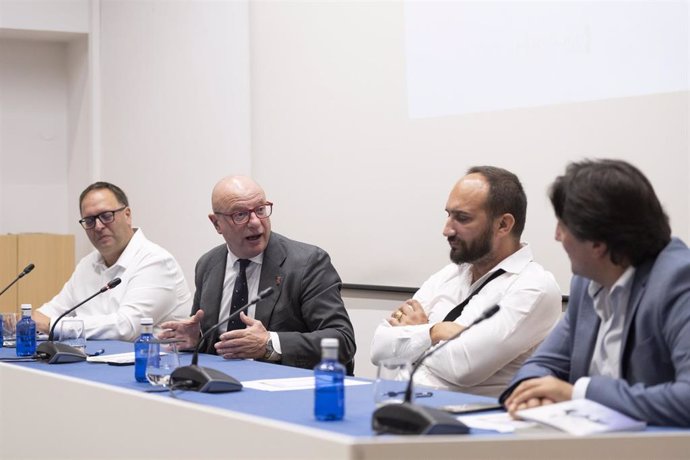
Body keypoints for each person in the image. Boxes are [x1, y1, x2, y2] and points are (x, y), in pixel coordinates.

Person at [501, 159, 690, 427]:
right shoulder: (586, 282)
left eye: (562, 226)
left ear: (598, 244)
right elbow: (542, 364)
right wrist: (534, 393)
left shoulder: (679, 281)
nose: (556, 236)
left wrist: (580, 393)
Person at [370, 166, 562, 397]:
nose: (447, 230)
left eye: (462, 218)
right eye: (448, 215)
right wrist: (434, 331)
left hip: (464, 424)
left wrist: (414, 336)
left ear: (503, 225)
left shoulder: (534, 287)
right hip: (399, 408)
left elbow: (463, 368)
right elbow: (379, 349)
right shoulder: (449, 274)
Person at [159, 176, 356, 372]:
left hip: (281, 389)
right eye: (240, 214)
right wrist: (196, 339)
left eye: (260, 210)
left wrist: (270, 344)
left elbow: (342, 340)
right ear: (217, 223)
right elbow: (212, 344)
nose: (255, 222)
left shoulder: (308, 263)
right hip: (219, 386)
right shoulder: (208, 264)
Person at [34, 182, 191, 341]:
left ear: (127, 215)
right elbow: (49, 312)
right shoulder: (87, 265)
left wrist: (54, 325)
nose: (98, 226)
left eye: (107, 216)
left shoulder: (156, 262)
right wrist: (26, 321)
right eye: (89, 220)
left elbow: (126, 328)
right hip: (93, 361)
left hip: (152, 363)